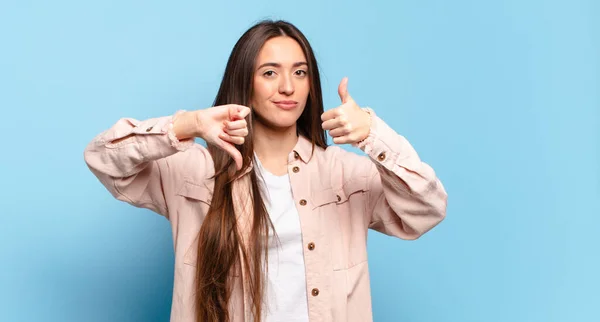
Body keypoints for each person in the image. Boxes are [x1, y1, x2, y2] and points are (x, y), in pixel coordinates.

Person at [84, 19, 447, 322]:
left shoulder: (345, 174)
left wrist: (373, 134)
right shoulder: (195, 170)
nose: (287, 87)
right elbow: (103, 158)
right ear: (246, 82)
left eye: (300, 72)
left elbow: (426, 210)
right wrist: (188, 124)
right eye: (270, 72)